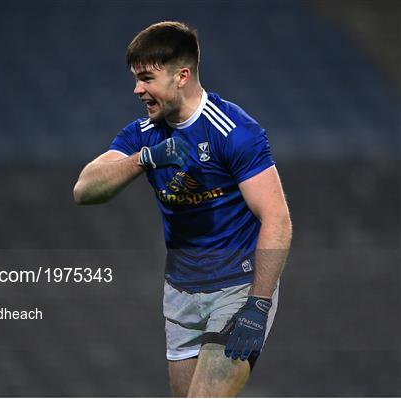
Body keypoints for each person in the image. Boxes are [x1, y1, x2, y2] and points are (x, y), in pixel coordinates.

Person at [73, 21, 292, 397]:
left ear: (182, 76)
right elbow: (85, 190)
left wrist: (258, 303)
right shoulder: (144, 134)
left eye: (146, 78)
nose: (137, 89)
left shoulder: (233, 131)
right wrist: (144, 159)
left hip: (236, 290)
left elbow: (277, 219)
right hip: (181, 294)